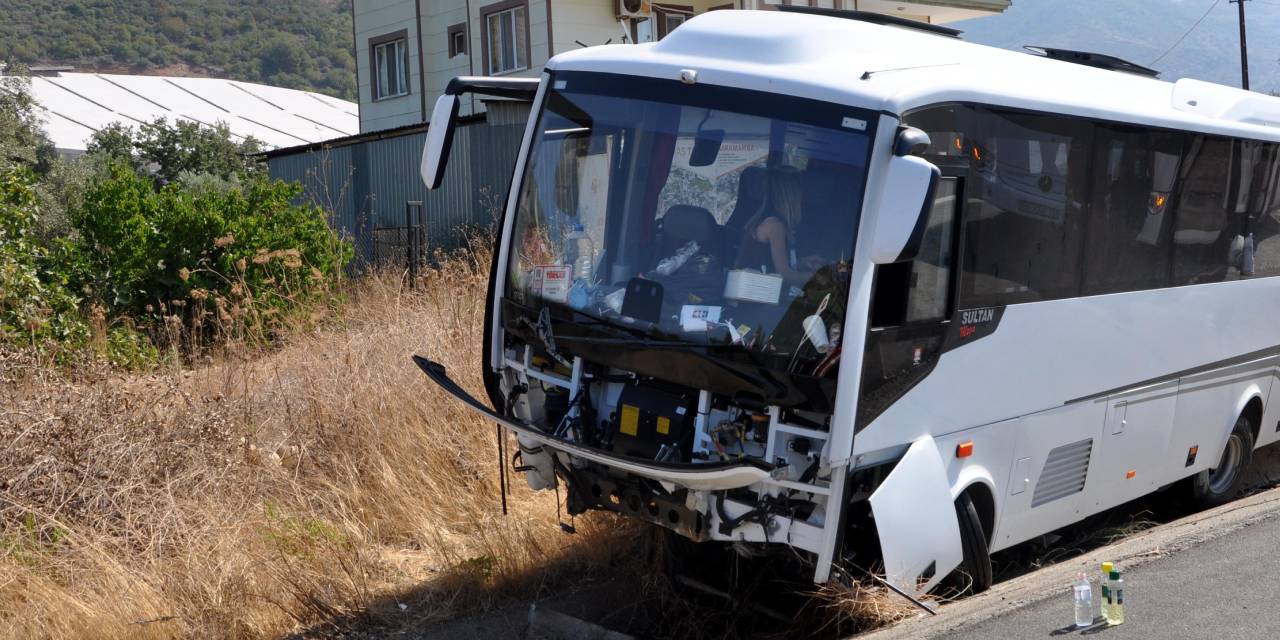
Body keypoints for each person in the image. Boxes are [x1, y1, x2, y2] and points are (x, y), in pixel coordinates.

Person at [734, 167, 826, 286]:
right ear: (792, 196)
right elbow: (785, 276)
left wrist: (801, 263)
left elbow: (769, 262)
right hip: (752, 299)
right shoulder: (775, 226)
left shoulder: (766, 221)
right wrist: (822, 279)